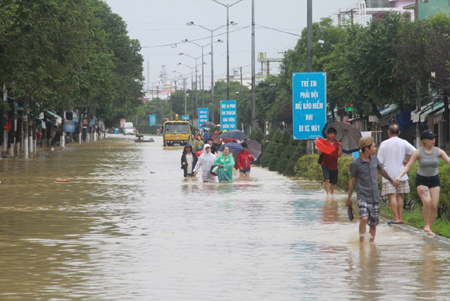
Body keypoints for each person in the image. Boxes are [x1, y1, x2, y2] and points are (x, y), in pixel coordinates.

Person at [395, 130, 450, 237]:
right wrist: (399, 176)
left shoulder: (438, 151)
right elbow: (408, 166)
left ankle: (430, 228)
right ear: (424, 141)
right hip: (422, 180)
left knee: (434, 205)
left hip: (434, 180)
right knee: (427, 201)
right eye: (430, 139)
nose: (433, 141)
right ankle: (426, 225)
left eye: (434, 138)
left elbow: (448, 160)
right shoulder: (418, 152)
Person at [347, 137, 398, 243]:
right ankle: (361, 243)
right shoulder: (355, 164)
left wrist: (392, 181)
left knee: (373, 224)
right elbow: (352, 181)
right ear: (366, 148)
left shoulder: (374, 159)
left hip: (374, 196)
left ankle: (371, 243)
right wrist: (349, 198)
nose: (375, 148)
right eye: (373, 146)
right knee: (364, 218)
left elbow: (382, 171)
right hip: (362, 196)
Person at [377, 124, 416, 225]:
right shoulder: (403, 143)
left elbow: (379, 162)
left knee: (392, 196)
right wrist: (407, 160)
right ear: (399, 132)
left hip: (388, 175)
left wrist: (377, 174)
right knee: (399, 196)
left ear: (388, 132)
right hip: (401, 174)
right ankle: (401, 218)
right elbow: (415, 152)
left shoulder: (384, 144)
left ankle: (395, 218)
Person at [317, 127, 343, 195]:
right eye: (330, 134)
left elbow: (339, 155)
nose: (332, 135)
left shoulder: (338, 143)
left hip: (334, 165)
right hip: (325, 163)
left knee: (333, 182)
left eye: (333, 134)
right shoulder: (325, 142)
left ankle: (331, 194)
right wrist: (322, 145)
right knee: (327, 179)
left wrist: (341, 147)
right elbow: (319, 153)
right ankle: (328, 194)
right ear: (328, 134)